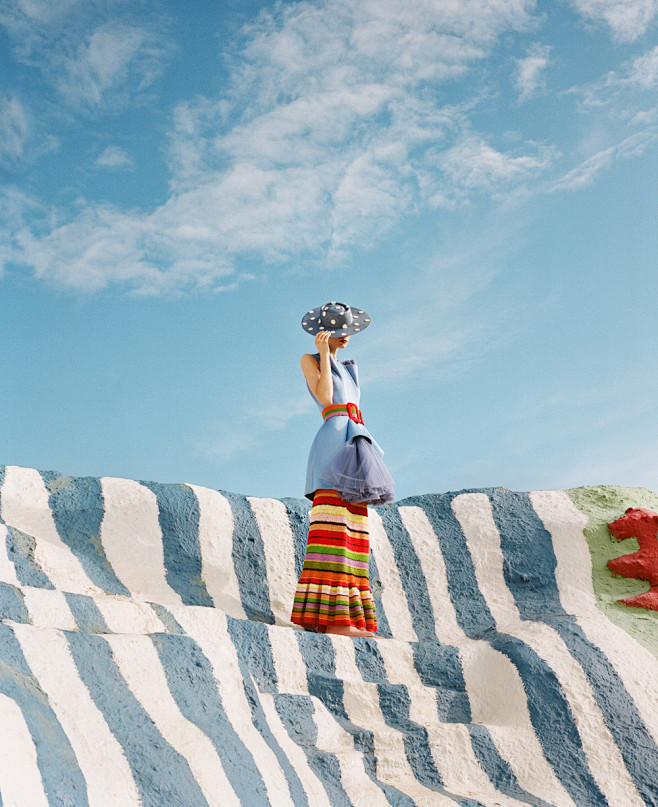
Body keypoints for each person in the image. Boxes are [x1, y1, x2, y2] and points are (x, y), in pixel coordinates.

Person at [290, 301, 395, 637]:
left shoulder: (350, 368)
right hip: (333, 444)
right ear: (324, 332)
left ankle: (347, 619)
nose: (345, 336)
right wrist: (322, 354)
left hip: (357, 444)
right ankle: (333, 621)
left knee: (355, 532)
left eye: (348, 330)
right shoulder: (310, 359)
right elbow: (324, 397)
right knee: (332, 530)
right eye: (339, 331)